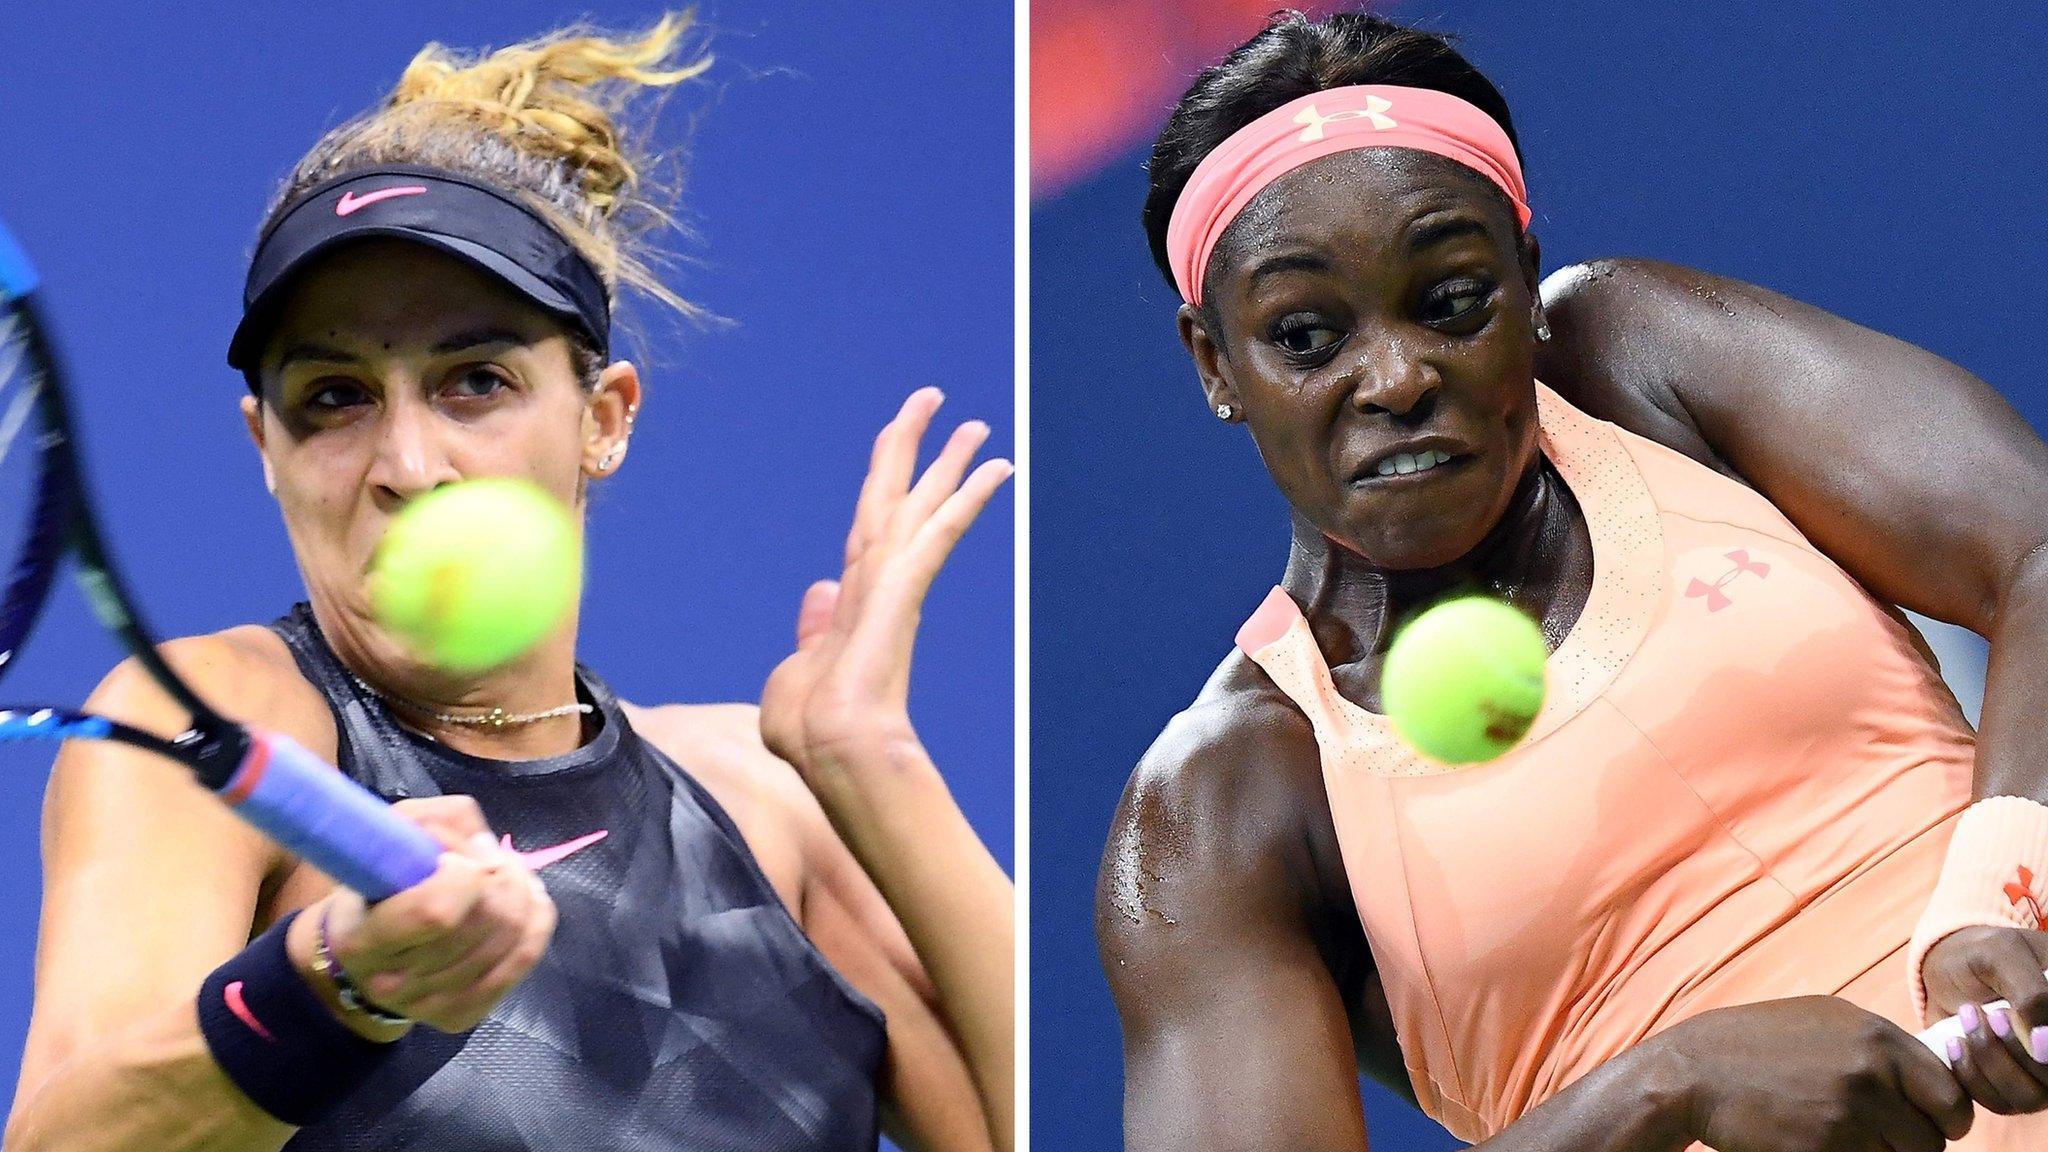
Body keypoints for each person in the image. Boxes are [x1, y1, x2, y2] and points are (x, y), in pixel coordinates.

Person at [4, 14, 1012, 1152]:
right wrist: (334, 983)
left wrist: (869, 762)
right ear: (264, 448)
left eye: (472, 381)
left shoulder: (772, 804)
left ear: (603, 419)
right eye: (333, 396)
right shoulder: (221, 721)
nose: (409, 465)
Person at [1101, 9, 2048, 1152]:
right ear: (1217, 363)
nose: (1396, 377)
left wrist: (2005, 880)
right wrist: (1664, 1085)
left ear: (1523, 272)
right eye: (1305, 335)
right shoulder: (1219, 805)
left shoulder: (1632, 358)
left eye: (1451, 300)